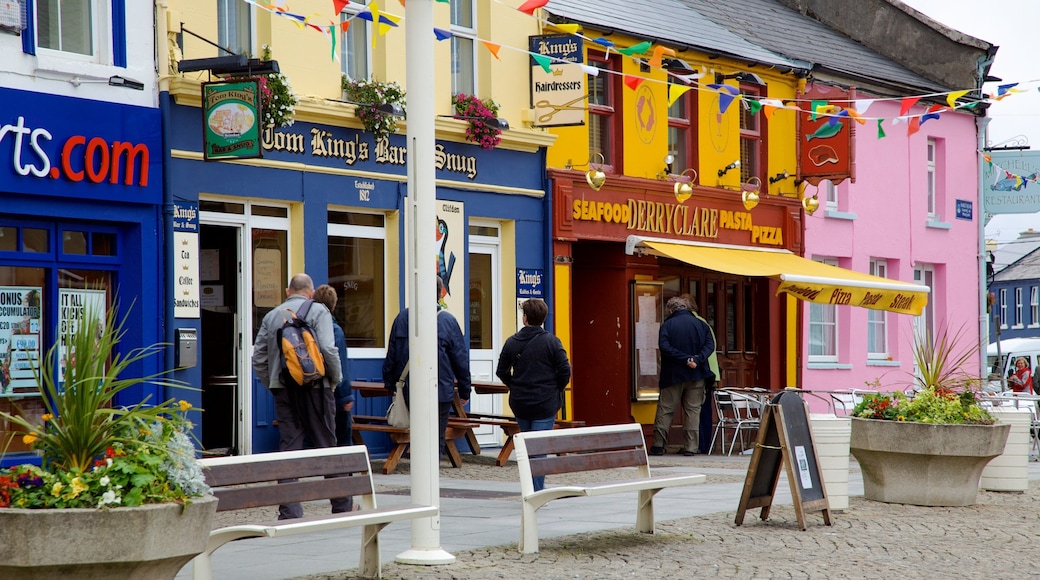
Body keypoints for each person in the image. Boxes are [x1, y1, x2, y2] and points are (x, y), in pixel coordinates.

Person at [251, 273, 348, 518]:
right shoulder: (318, 311)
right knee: (327, 444)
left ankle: (290, 509)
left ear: (287, 291)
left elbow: (258, 359)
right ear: (311, 292)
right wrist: (334, 380)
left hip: (284, 389)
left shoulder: (272, 316)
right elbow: (327, 348)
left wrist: (273, 383)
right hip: (317, 388)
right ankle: (341, 506)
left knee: (290, 446)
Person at [382, 277, 471, 458]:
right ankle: (430, 479)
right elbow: (460, 360)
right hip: (440, 390)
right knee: (436, 439)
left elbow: (392, 355)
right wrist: (464, 391)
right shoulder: (448, 321)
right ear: (440, 293)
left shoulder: (402, 318)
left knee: (418, 435)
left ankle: (421, 476)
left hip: (410, 389)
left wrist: (391, 385)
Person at [496, 298, 571, 491]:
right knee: (539, 448)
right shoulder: (552, 342)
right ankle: (536, 491)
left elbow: (501, 371)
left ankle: (530, 489)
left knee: (528, 446)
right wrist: (557, 388)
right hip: (545, 402)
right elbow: (565, 371)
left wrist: (514, 385)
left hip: (521, 402)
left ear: (525, 318)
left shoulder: (512, 342)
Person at [651, 295, 716, 457]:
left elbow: (664, 347)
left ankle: (659, 445)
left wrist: (684, 358)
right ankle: (691, 447)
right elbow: (710, 345)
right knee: (693, 410)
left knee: (666, 409)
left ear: (671, 310)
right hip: (697, 374)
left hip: (672, 374)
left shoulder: (668, 325)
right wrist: (697, 359)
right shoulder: (701, 324)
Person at [313, 284, 355, 448]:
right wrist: (345, 396)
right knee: (342, 437)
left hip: (310, 389)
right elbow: (339, 364)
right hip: (332, 392)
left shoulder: (307, 325)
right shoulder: (335, 330)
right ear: (334, 305)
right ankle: (342, 472)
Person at [679, 295, 721, 455]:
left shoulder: (694, 324)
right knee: (702, 410)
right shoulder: (703, 323)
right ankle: (703, 445)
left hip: (700, 372)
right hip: (709, 373)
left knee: (697, 410)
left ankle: (699, 445)